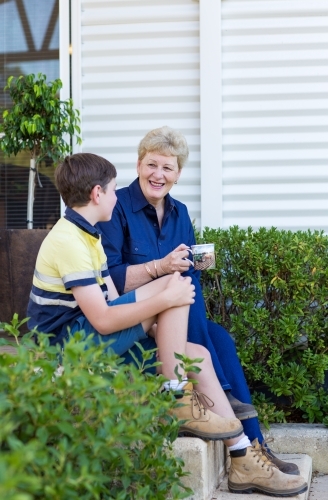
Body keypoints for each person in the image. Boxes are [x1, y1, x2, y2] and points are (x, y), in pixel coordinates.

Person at [26, 152, 307, 497]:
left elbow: (113, 300)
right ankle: (176, 395)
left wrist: (162, 325)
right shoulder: (68, 240)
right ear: (98, 194)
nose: (118, 197)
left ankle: (243, 458)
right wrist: (162, 303)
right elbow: (101, 320)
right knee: (174, 287)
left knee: (200, 353)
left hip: (93, 336)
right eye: (114, 190)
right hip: (67, 350)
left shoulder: (90, 235)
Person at [97, 126, 300, 476]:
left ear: (178, 174)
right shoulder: (118, 209)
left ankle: (256, 446)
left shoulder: (179, 213)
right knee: (181, 280)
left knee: (219, 335)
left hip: (177, 322)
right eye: (152, 165)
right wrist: (160, 268)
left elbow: (189, 272)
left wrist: (196, 263)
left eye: (168, 168)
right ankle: (233, 414)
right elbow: (111, 275)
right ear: (139, 164)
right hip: (138, 317)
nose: (158, 175)